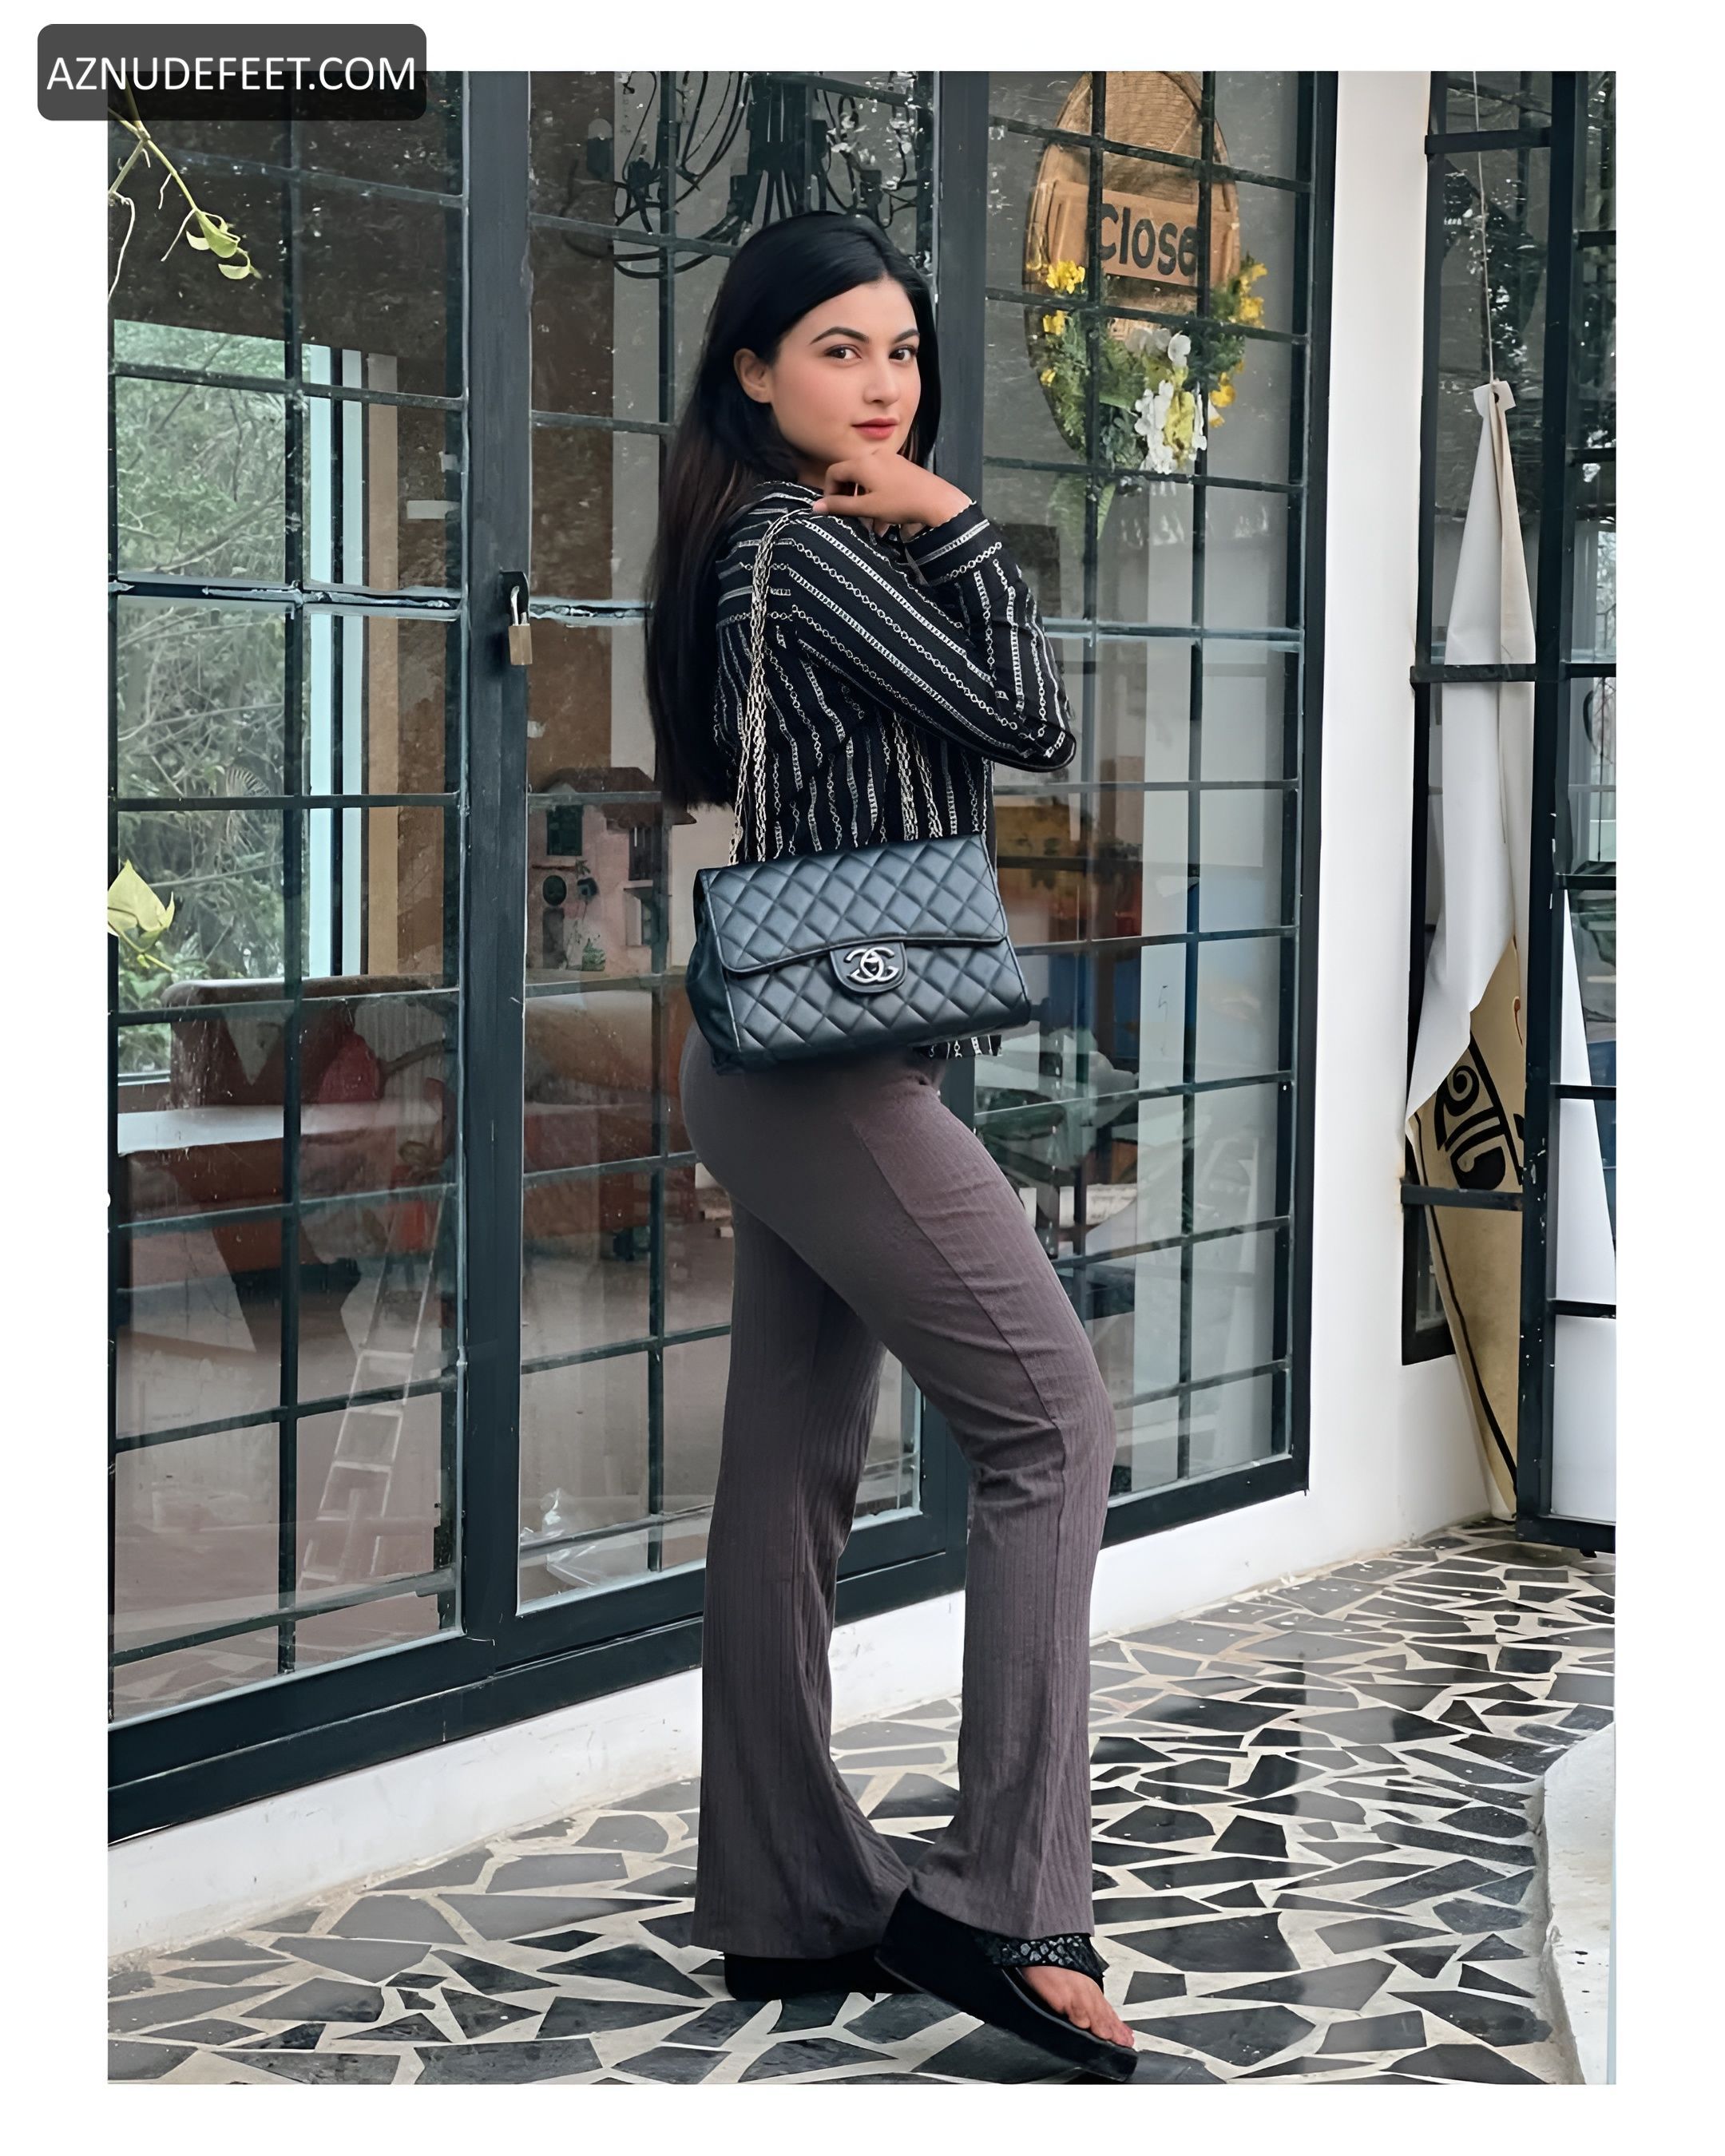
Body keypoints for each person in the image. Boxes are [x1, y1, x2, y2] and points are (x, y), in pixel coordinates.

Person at [644, 209, 1139, 2081]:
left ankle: (786, 1897)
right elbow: (1032, 716)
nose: (884, 386)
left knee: (787, 1488)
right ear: (754, 371)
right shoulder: (803, 541)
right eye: (840, 349)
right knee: (1055, 1421)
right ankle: (1002, 1897)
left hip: (792, 1059)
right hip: (832, 1077)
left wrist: (920, 526)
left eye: (904, 351)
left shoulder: (766, 541)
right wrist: (955, 521)